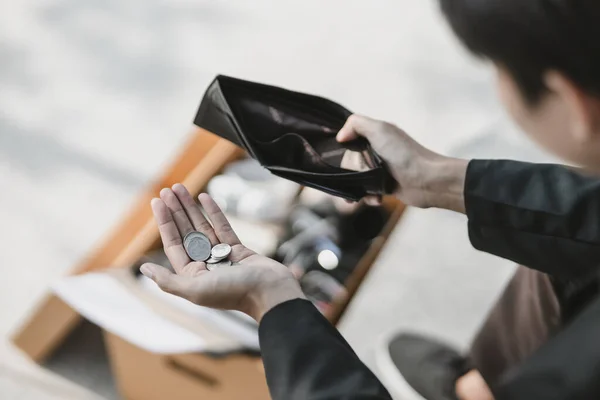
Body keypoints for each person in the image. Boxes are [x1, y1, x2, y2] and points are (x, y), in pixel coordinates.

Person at [139, 0, 600, 398]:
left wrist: (272, 303)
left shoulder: (569, 381)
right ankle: (478, 391)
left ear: (569, 100)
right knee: (551, 251)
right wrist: (438, 179)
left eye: (499, 68)